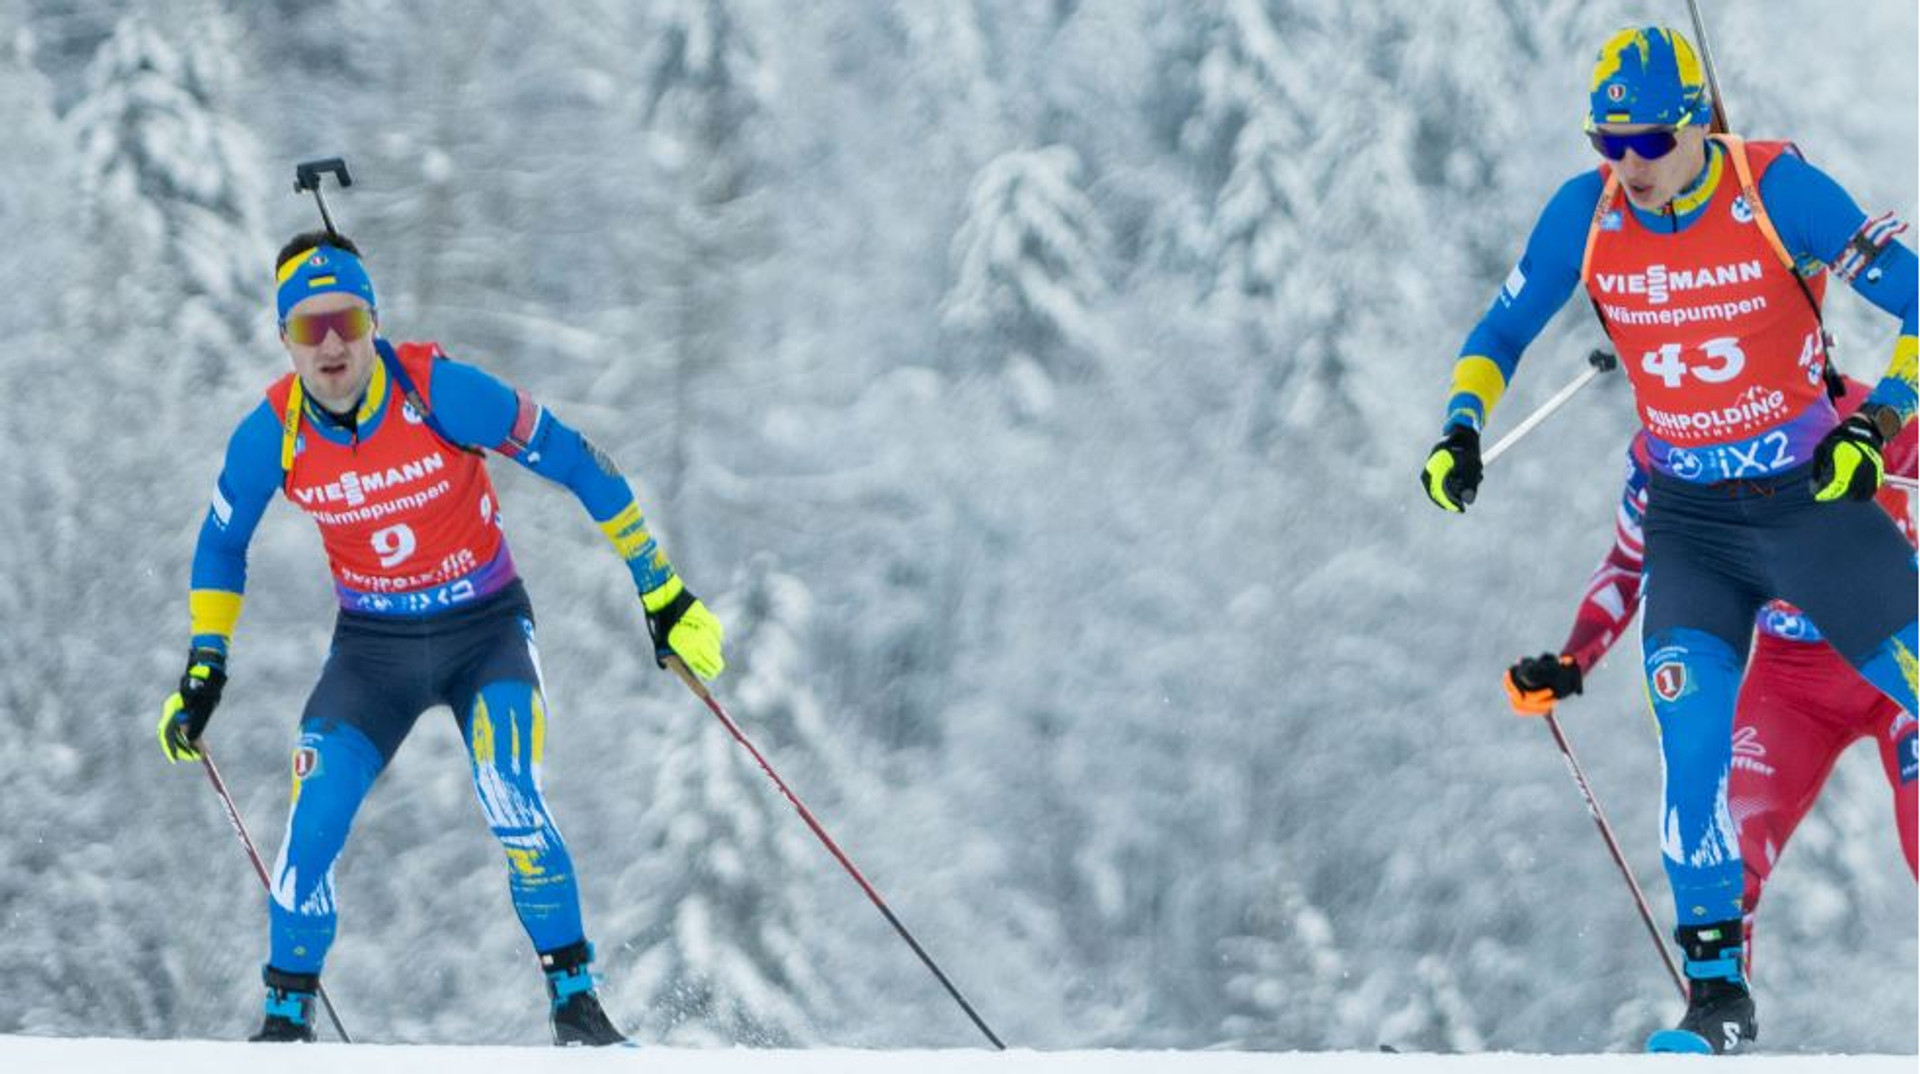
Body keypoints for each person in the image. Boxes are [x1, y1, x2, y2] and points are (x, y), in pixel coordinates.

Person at [1418, 26, 1917, 1054]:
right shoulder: (1588, 213)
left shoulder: (1776, 187)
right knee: (1691, 759)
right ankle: (1716, 1002)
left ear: (1693, 123)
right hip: (1692, 524)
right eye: (1608, 142)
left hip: (1808, 506)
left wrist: (1875, 424)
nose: (1629, 164)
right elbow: (1500, 333)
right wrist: (1460, 427)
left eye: (1646, 139)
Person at [156, 230, 727, 1045]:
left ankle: (578, 1008)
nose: (330, 346)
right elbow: (221, 544)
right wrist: (204, 665)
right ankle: (285, 1024)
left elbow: (580, 462)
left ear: (373, 322)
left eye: (346, 322)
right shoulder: (272, 434)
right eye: (308, 328)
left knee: (511, 793)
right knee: (311, 824)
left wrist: (661, 590)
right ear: (282, 339)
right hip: (371, 655)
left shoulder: (441, 393)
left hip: (484, 634)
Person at [1503, 378, 1916, 978]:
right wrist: (1572, 661)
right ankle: (1719, 1010)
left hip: (1894, 667)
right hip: (1793, 684)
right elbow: (1631, 560)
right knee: (1732, 850)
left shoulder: (1864, 418)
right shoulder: (1666, 448)